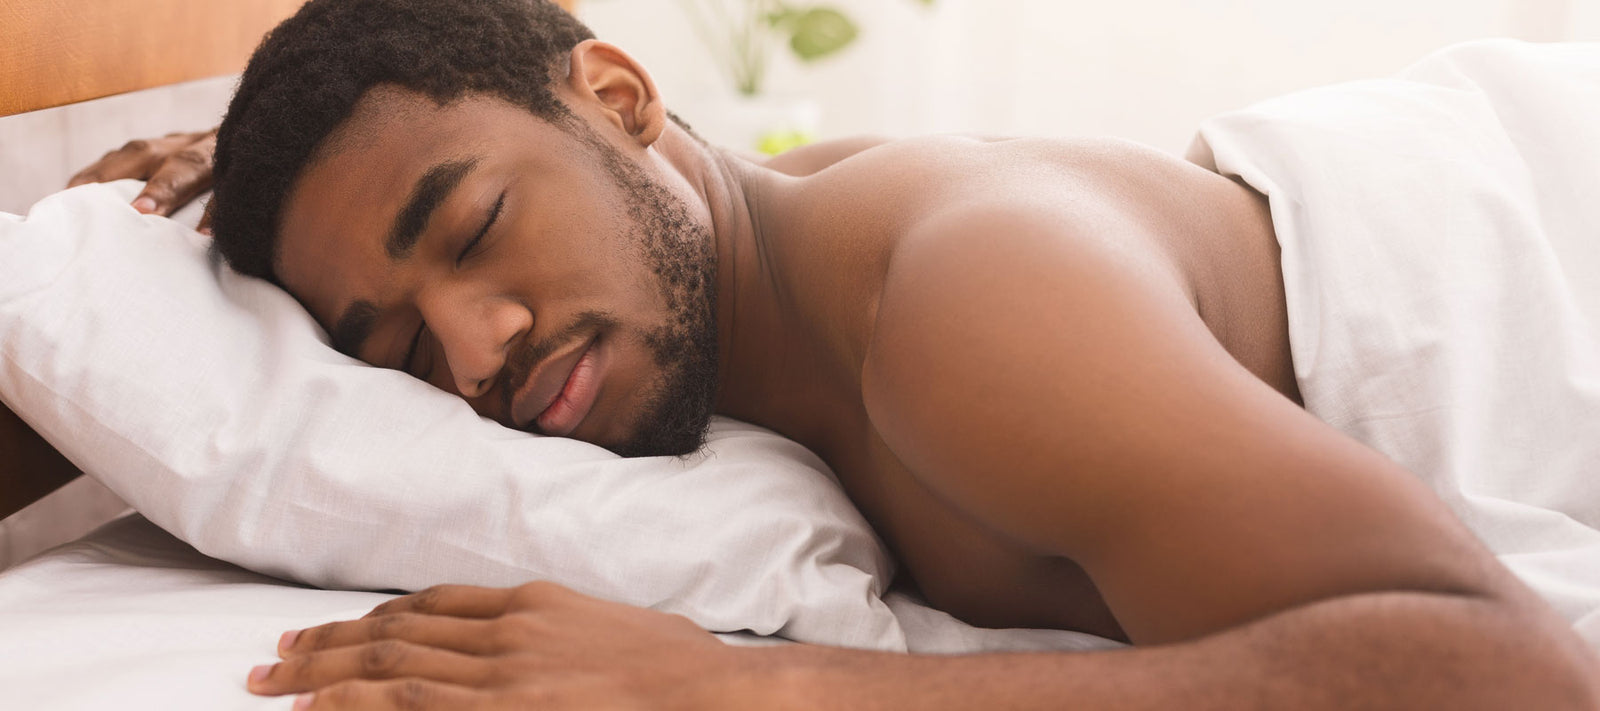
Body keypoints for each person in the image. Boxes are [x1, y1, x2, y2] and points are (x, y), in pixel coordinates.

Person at [37, 0, 1600, 708]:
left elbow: (1509, 672)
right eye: (385, 339)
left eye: (472, 227)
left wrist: (733, 694)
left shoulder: (965, 302)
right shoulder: (773, 258)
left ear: (627, 103)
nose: (471, 349)